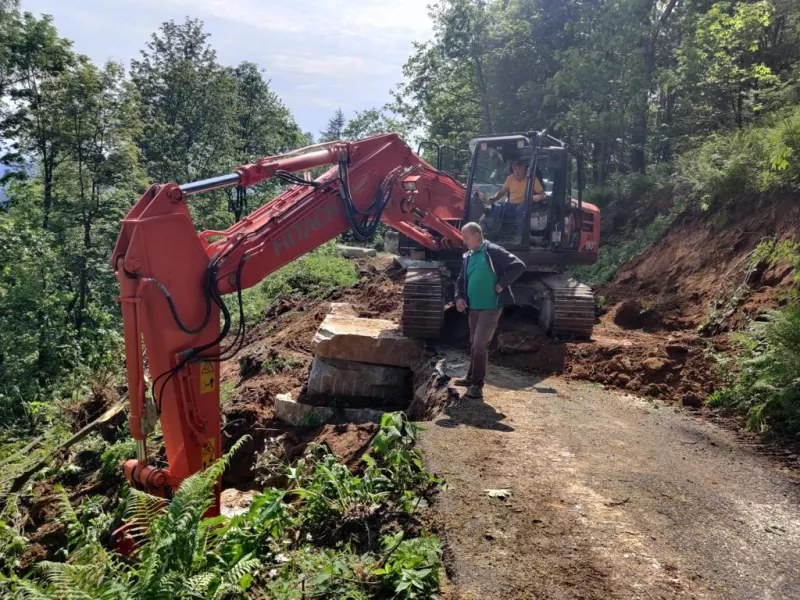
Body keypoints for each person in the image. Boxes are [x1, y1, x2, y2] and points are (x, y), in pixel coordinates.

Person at [454, 222, 526, 399]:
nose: (464, 241)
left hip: (491, 307)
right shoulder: (468, 256)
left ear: (477, 235)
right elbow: (460, 280)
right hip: (473, 307)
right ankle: (470, 377)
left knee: (480, 344)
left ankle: (477, 385)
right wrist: (459, 297)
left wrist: (502, 284)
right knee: (474, 342)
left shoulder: (492, 250)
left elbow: (518, 265)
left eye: (466, 238)